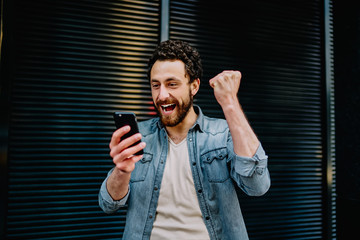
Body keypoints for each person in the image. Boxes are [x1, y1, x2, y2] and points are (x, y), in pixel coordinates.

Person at [99, 39, 270, 240]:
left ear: (194, 86)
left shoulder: (222, 133)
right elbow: (108, 204)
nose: (162, 95)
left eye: (172, 84)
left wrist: (230, 103)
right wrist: (121, 170)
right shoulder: (140, 135)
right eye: (156, 85)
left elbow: (257, 185)